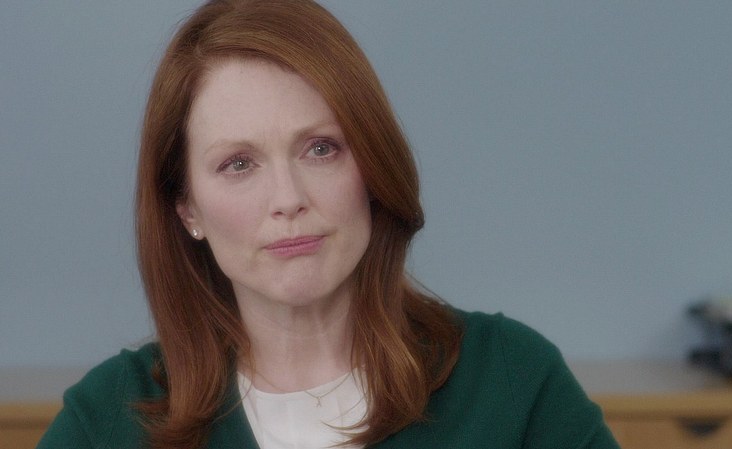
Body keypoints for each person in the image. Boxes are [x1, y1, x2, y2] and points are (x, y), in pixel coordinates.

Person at [37, 1, 620, 448]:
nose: (288, 199)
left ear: (372, 167)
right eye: (238, 164)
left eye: (321, 149)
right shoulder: (106, 419)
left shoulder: (512, 379)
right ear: (187, 208)